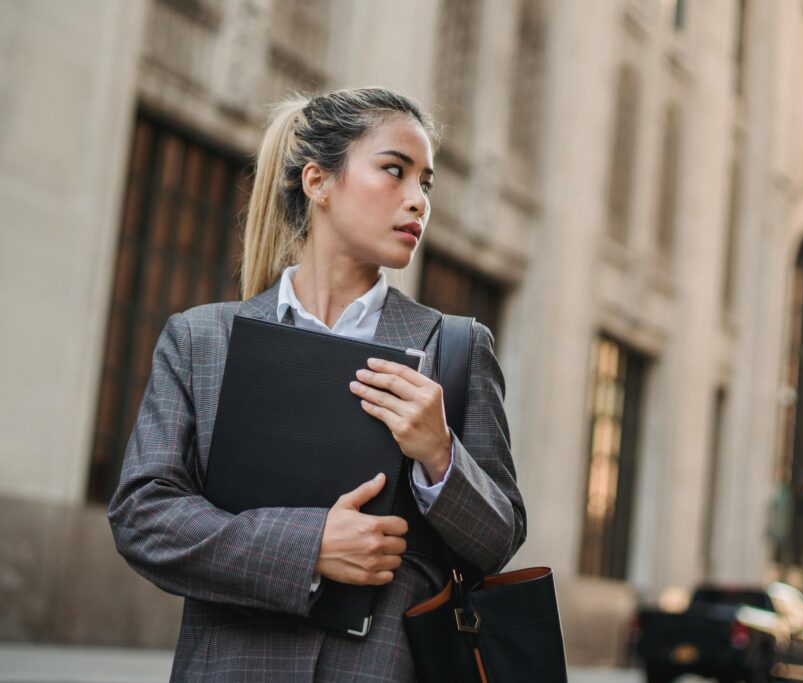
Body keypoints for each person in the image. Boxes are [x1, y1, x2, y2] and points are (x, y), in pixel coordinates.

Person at [107, 87, 526, 681]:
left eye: (426, 184)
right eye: (394, 171)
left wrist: (440, 455)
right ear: (318, 182)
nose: (417, 202)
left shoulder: (454, 349)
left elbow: (498, 542)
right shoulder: (203, 339)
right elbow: (142, 516)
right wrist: (309, 546)